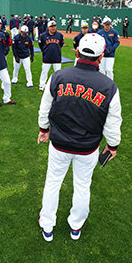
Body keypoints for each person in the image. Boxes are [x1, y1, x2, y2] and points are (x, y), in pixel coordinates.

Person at [37, 33, 122, 242]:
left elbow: (45, 108)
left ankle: (47, 226)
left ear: (77, 52)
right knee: (82, 186)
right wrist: (113, 146)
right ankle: (76, 227)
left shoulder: (58, 77)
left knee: (53, 183)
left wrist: (44, 129)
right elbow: (113, 123)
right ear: (101, 57)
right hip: (88, 148)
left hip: (59, 144)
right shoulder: (109, 86)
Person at [38, 20, 64, 91]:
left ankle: (58, 85)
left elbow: (61, 44)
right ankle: (42, 85)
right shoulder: (43, 36)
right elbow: (41, 45)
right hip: (47, 57)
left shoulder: (60, 35)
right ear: (48, 27)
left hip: (57, 57)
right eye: (51, 26)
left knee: (58, 73)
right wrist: (46, 51)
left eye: (54, 26)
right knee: (44, 72)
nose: (53, 28)